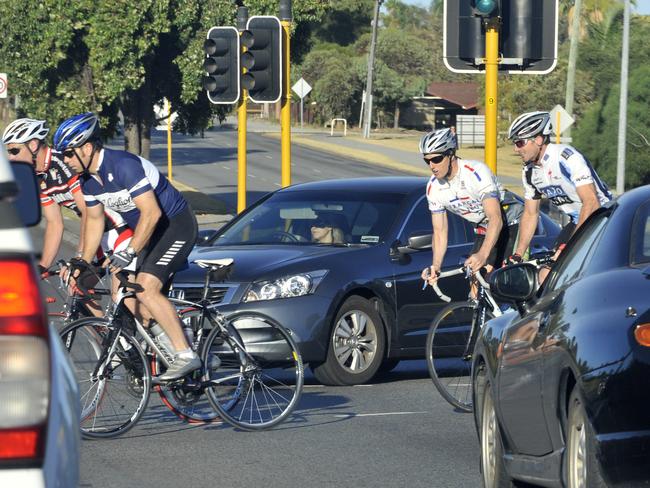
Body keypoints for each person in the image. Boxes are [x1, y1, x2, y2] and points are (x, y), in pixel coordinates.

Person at [53, 112, 199, 380]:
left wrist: (129, 251)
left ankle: (186, 354)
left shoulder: (123, 165)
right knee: (128, 296)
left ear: (87, 147)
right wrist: (82, 262)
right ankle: (169, 344)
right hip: (150, 233)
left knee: (146, 287)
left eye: (69, 154)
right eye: (63, 155)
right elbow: (94, 221)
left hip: (175, 225)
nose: (66, 160)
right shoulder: (88, 181)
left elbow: (152, 213)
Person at [2, 118, 133, 276]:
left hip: (119, 228)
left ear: (33, 145)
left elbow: (86, 211)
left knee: (120, 296)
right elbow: (54, 223)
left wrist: (79, 256)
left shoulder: (64, 163)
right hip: (98, 234)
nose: (10, 158)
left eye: (14, 151)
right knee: (75, 288)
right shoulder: (40, 176)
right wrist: (43, 266)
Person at [506, 111, 612, 278]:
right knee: (546, 275)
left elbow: (591, 202)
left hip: (604, 219)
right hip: (577, 221)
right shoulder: (529, 171)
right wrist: (518, 254)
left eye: (520, 143)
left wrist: (570, 246)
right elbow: (530, 214)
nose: (515, 149)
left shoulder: (566, 158)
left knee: (581, 275)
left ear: (539, 140)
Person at [419, 127, 521, 289]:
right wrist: (436, 266)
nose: (432, 165)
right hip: (483, 229)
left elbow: (495, 219)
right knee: (474, 283)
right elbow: (440, 232)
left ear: (451, 154)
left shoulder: (476, 173)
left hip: (511, 224)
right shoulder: (434, 188)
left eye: (437, 159)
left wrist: (483, 254)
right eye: (427, 160)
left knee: (501, 282)